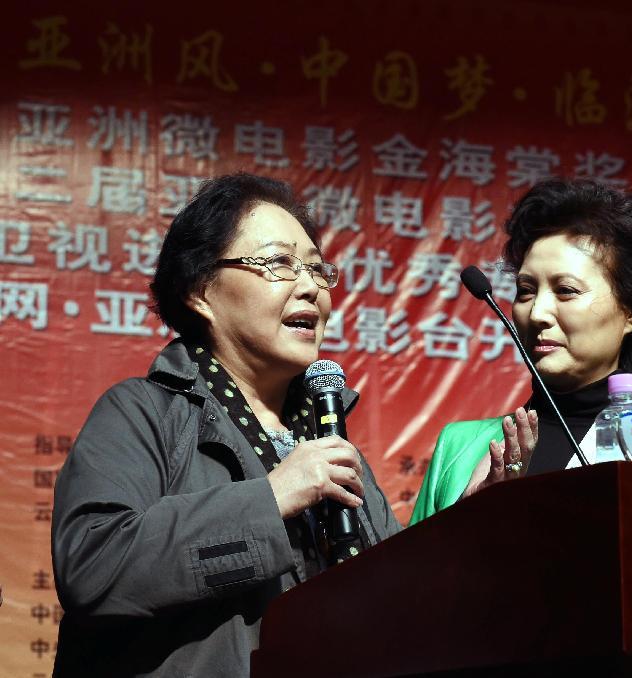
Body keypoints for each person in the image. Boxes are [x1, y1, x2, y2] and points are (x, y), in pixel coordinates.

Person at [51, 173, 401, 676]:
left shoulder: (330, 442)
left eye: (316, 268)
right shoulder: (142, 412)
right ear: (201, 291)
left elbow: (396, 603)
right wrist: (271, 498)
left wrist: (469, 524)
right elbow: (93, 567)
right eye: (279, 263)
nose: (311, 287)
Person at [410, 178, 632, 524]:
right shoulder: (459, 446)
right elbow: (412, 562)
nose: (537, 313)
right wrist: (469, 517)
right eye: (526, 290)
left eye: (566, 290)